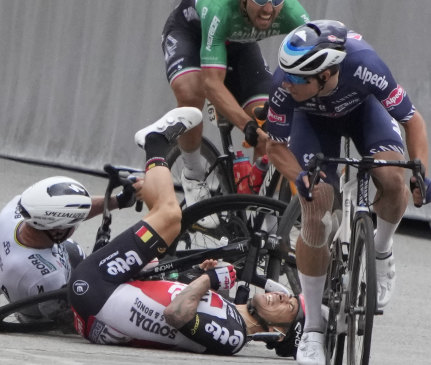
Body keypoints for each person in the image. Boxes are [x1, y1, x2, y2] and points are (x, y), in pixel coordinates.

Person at [68, 107, 307, 358]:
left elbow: (176, 314)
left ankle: (156, 142)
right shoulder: (231, 314)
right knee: (163, 228)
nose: (281, 296)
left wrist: (209, 280)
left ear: (278, 333)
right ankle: (144, 186)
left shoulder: (235, 336)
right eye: (287, 296)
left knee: (171, 219)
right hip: (103, 299)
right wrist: (200, 276)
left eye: (288, 306)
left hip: (96, 290)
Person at [265, 19, 431, 364]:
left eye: (299, 78)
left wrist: (420, 169)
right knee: (317, 211)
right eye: (287, 75)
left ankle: (381, 253)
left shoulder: (366, 65)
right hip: (310, 124)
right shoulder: (284, 84)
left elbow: (412, 120)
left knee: (393, 177)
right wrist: (301, 179)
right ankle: (312, 330)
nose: (288, 82)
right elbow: (275, 147)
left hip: (362, 113)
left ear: (325, 74)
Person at [162, 0, 309, 208]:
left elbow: (317, 60)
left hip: (239, 44)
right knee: (192, 94)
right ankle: (193, 176)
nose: (268, 10)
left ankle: (263, 209)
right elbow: (212, 84)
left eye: (276, 0)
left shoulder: (291, 12)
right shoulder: (220, 5)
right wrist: (246, 125)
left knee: (268, 121)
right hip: (191, 34)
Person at [0, 174, 141, 326]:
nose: (78, 224)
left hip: (18, 271)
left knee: (72, 250)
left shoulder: (15, 209)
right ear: (57, 230)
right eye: (75, 223)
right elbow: (72, 318)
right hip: (41, 308)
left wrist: (118, 200)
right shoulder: (49, 277)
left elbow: (64, 209)